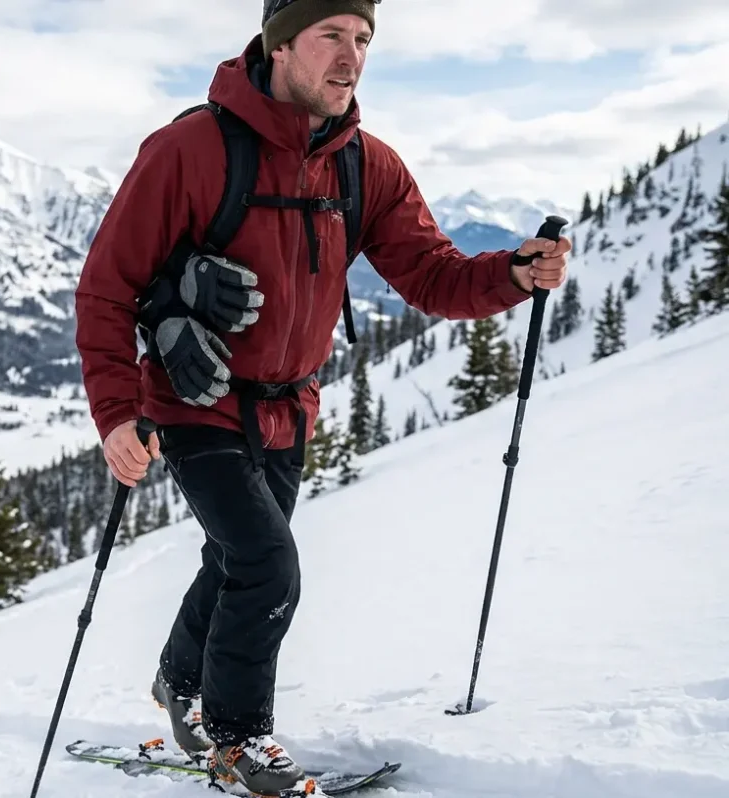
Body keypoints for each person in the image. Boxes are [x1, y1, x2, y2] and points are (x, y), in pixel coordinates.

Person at [74, 0, 570, 793]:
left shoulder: (365, 165)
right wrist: (114, 410)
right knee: (269, 565)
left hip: (288, 407)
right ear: (280, 44)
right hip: (194, 402)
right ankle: (237, 739)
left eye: (363, 38)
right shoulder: (188, 151)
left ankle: (181, 680)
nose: (351, 57)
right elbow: (106, 291)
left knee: (235, 556)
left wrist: (511, 273)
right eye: (331, 36)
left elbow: (430, 274)